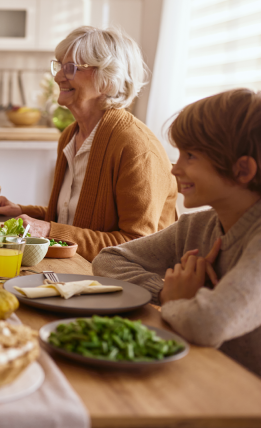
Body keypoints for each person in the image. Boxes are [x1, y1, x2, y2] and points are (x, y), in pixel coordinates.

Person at [93, 89, 261, 376]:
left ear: (242, 169)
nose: (175, 169)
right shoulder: (196, 227)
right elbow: (108, 260)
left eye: (191, 156)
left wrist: (178, 301)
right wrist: (165, 291)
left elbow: (210, 323)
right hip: (201, 376)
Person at [0, 26, 177, 261]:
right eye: (59, 66)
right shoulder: (71, 135)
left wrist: (47, 230)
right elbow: (75, 219)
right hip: (78, 269)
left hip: (123, 284)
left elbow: (136, 245)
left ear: (107, 80)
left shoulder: (136, 148)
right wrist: (24, 212)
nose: (57, 77)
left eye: (71, 68)